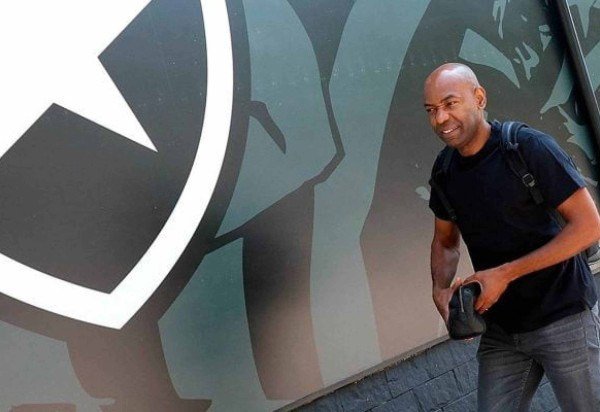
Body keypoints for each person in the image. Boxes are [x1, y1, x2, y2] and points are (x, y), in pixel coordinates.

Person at [426, 63, 600, 411]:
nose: (441, 118)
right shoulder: (445, 171)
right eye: (431, 110)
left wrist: (504, 274)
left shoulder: (527, 148)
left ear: (479, 98)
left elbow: (589, 226)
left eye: (450, 103)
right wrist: (440, 289)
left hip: (564, 316)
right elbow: (445, 241)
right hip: (503, 332)